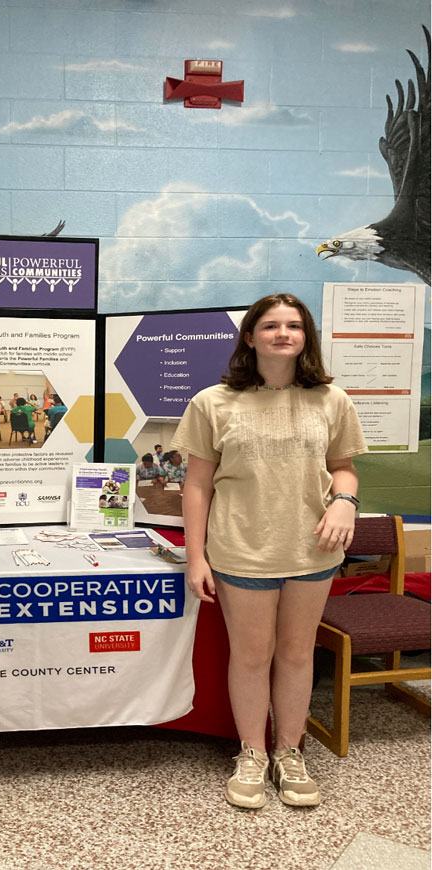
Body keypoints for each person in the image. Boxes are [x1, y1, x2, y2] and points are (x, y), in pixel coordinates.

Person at [170, 293, 366, 810]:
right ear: (251, 336)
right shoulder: (212, 403)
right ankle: (252, 753)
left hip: (313, 550)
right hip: (242, 550)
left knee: (299, 655)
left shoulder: (331, 400)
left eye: (294, 326)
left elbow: (344, 466)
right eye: (272, 325)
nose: (283, 334)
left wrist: (345, 501)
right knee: (253, 657)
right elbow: (196, 486)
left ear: (307, 337)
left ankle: (289, 751)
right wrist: (196, 557)